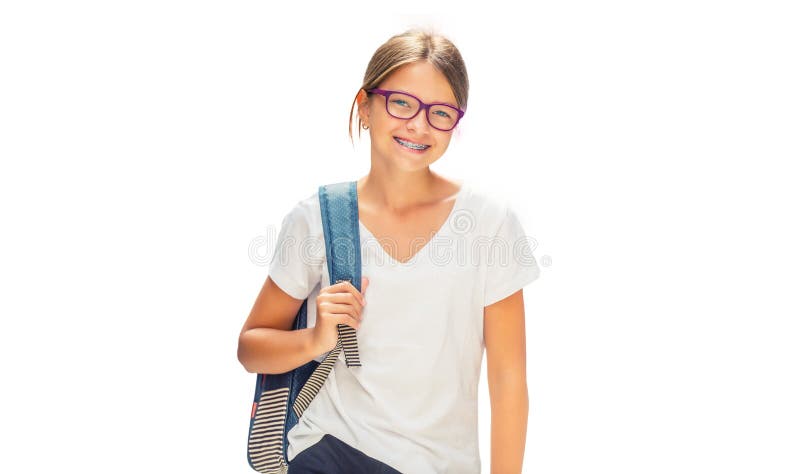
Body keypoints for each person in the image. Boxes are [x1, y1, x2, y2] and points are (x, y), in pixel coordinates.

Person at [238, 28, 541, 474]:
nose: (418, 125)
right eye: (401, 103)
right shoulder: (318, 219)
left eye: (440, 112)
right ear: (365, 106)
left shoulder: (488, 224)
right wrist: (315, 338)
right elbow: (251, 347)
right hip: (332, 449)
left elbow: (508, 381)